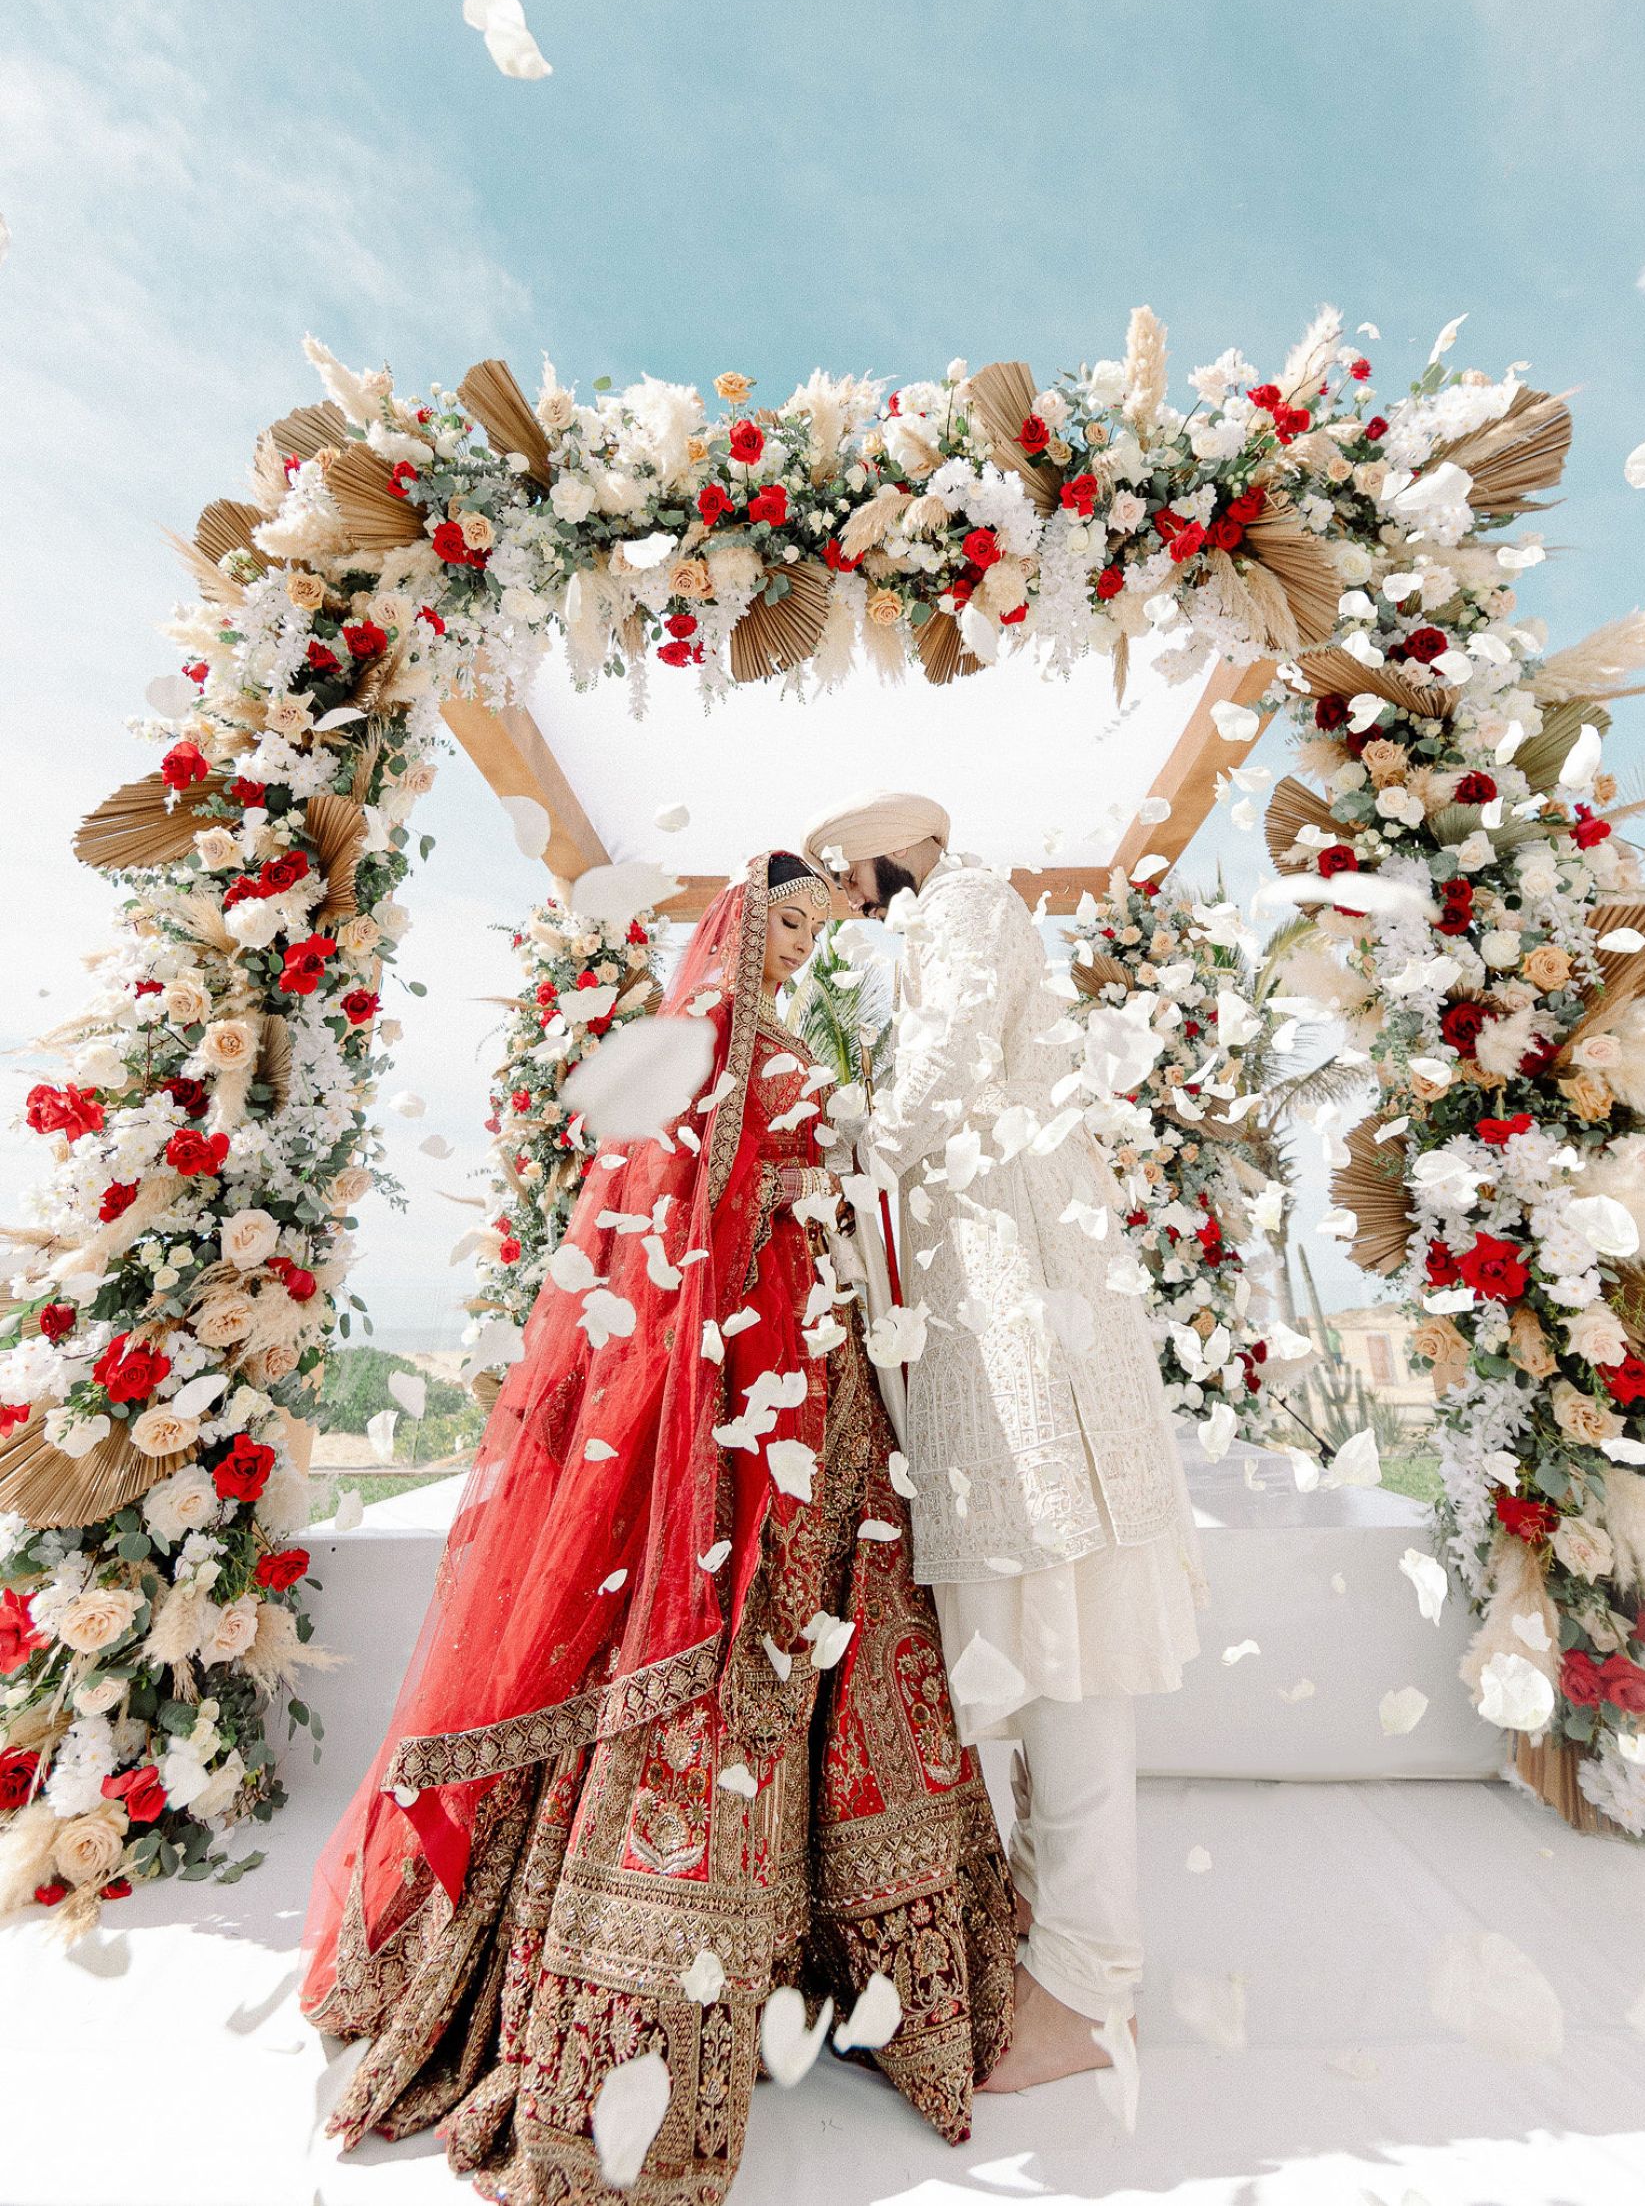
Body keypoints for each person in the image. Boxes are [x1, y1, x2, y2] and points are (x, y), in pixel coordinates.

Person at [302, 851, 1014, 2203]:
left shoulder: (787, 1034)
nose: (803, 945)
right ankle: (649, 1998)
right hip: (740, 1387)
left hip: (825, 1380)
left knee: (836, 1661)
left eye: (820, 926)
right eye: (787, 921)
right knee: (725, 1669)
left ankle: (824, 1966)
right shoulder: (710, 1040)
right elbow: (677, 1216)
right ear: (740, 930)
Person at [802, 793, 1202, 2091]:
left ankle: (1092, 1982)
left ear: (887, 851)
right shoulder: (928, 927)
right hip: (976, 1278)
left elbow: (950, 1066)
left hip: (1020, 1274)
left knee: (1061, 1601)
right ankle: (1045, 1938)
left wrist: (832, 1143)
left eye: (848, 875)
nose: (849, 902)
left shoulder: (967, 900)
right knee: (1023, 1622)